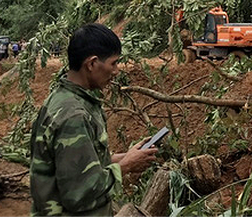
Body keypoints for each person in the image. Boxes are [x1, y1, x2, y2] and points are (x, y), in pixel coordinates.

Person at [29, 23, 158, 217]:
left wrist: (127, 156)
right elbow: (79, 194)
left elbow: (83, 164)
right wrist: (126, 167)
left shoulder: (65, 98)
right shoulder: (74, 116)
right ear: (92, 64)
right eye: (113, 63)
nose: (116, 71)